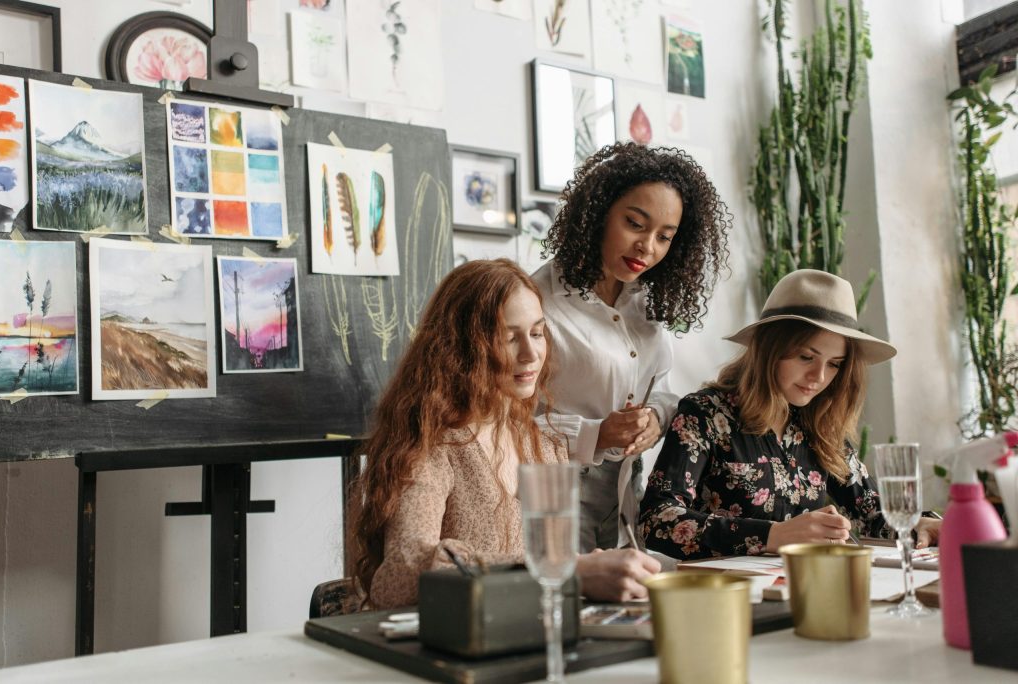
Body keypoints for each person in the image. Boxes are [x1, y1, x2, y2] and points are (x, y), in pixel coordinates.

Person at [350, 259, 660, 609]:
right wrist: (571, 568)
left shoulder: (544, 446)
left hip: (523, 637)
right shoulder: (431, 445)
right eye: (508, 338)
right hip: (448, 650)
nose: (530, 354)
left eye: (537, 333)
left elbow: (549, 578)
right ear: (462, 347)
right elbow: (401, 576)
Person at [639, 269, 942, 560]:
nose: (819, 377)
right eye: (806, 357)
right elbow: (658, 520)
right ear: (770, 349)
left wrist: (918, 524)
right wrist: (772, 535)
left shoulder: (818, 423)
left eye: (834, 364)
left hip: (805, 587)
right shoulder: (705, 414)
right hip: (727, 595)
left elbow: (871, 511)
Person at [533, 141, 732, 551]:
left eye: (665, 236)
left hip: (626, 494)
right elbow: (497, 426)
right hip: (553, 493)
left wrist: (656, 420)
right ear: (599, 212)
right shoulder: (537, 302)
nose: (648, 247)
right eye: (635, 224)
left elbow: (659, 391)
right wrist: (595, 434)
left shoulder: (643, 305)